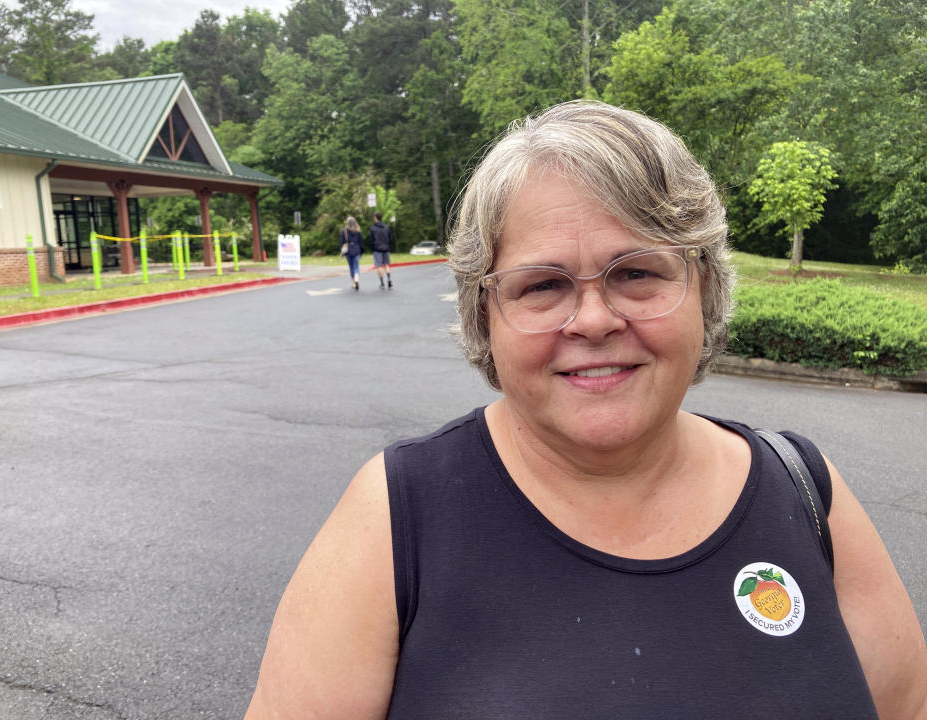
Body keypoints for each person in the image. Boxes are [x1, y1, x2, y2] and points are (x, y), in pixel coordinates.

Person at [244, 101, 927, 719]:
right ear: (487, 315)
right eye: (543, 285)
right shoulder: (396, 519)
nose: (594, 319)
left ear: (706, 290)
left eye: (636, 272)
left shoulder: (806, 493)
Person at [369, 212, 393, 289]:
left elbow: (371, 240)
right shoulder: (386, 227)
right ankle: (389, 278)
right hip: (386, 248)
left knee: (379, 266)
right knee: (386, 264)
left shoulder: (373, 228)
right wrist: (389, 246)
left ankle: (382, 283)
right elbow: (390, 238)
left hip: (377, 249)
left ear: (376, 218)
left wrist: (372, 248)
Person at [340, 216, 364, 290]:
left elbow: (342, 242)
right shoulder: (358, 231)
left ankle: (354, 282)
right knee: (356, 267)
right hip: (356, 251)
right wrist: (362, 252)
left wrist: (342, 252)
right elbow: (361, 243)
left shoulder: (344, 231)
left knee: (351, 267)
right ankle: (357, 280)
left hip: (348, 252)